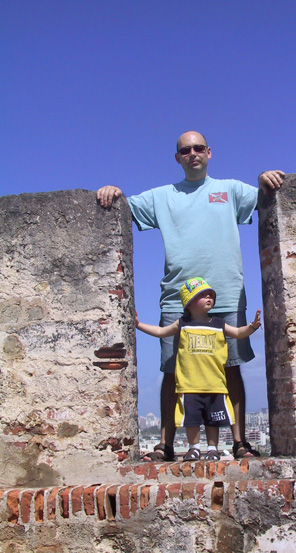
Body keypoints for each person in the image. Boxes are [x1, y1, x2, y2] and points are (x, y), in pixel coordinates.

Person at [97, 131, 284, 460]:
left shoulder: (229, 190)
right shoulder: (162, 196)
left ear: (209, 152)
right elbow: (125, 208)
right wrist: (114, 190)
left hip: (225, 294)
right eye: (185, 150)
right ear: (177, 158)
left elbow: (263, 197)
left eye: (198, 148)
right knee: (172, 370)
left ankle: (239, 442)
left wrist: (262, 177)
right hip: (177, 298)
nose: (192, 154)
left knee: (230, 368)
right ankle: (166, 444)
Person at [135, 277, 261, 461]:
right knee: (191, 420)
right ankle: (194, 448)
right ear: (189, 302)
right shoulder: (182, 324)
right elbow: (161, 332)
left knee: (213, 420)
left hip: (215, 384)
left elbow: (237, 333)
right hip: (189, 385)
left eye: (210, 294)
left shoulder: (218, 324)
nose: (209, 297)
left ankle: (212, 448)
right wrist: (139, 325)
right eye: (203, 295)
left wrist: (252, 327)